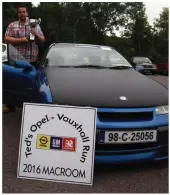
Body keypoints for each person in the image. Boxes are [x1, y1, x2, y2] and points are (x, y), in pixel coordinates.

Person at [4, 5, 45, 112]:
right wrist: (22, 40)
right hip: (16, 61)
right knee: (12, 82)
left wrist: (35, 33)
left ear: (27, 13)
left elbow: (42, 41)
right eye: (20, 12)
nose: (22, 14)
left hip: (33, 60)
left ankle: (33, 106)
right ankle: (10, 105)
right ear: (18, 14)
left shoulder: (34, 25)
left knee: (33, 84)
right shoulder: (12, 25)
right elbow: (6, 39)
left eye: (24, 12)